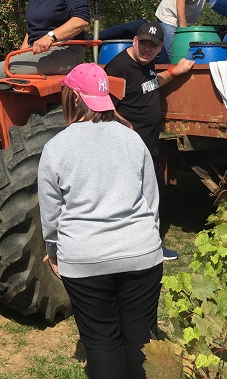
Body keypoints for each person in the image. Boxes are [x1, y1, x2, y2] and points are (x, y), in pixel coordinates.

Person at [38, 63, 162, 379]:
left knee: (101, 341)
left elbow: (51, 215)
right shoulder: (133, 140)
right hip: (141, 254)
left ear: (75, 98)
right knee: (140, 342)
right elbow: (151, 202)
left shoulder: (55, 148)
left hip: (84, 258)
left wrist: (53, 250)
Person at [104, 21, 194, 262]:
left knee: (151, 195)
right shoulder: (118, 67)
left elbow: (149, 86)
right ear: (134, 40)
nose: (147, 49)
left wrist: (175, 72)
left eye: (152, 46)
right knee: (131, 198)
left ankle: (147, 243)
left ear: (159, 48)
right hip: (128, 147)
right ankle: (137, 247)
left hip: (148, 144)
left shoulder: (147, 64)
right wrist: (128, 128)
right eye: (143, 43)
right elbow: (105, 107)